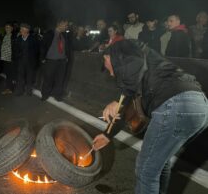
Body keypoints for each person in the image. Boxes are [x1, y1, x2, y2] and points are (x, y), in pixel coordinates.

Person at [94, 40, 208, 194]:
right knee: (160, 163)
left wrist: (118, 98)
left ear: (107, 57)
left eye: (108, 69)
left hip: (176, 105)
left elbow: (131, 69)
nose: (111, 74)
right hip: (198, 106)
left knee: (146, 169)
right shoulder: (139, 74)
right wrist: (108, 134)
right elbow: (124, 108)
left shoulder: (123, 48)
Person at [40, 19, 71, 101]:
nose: (66, 27)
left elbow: (66, 47)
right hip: (51, 61)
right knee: (48, 78)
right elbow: (43, 46)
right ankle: (45, 95)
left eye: (67, 25)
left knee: (60, 79)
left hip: (62, 61)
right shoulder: (49, 33)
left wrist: (67, 56)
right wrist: (42, 58)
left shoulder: (64, 35)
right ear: (59, 24)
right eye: (65, 25)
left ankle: (57, 95)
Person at [15, 23, 38, 96]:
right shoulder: (18, 39)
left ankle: (29, 91)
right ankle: (20, 91)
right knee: (20, 77)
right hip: (21, 61)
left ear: (27, 30)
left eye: (23, 29)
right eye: (21, 29)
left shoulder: (33, 39)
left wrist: (35, 60)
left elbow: (36, 50)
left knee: (29, 77)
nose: (21, 30)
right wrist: (17, 57)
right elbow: (16, 49)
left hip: (30, 62)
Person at [0, 22, 17, 95]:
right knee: (8, 74)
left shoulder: (14, 36)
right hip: (5, 58)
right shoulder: (4, 36)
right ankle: (9, 88)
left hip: (11, 58)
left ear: (12, 28)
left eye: (9, 27)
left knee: (11, 74)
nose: (7, 29)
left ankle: (10, 88)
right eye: (6, 27)